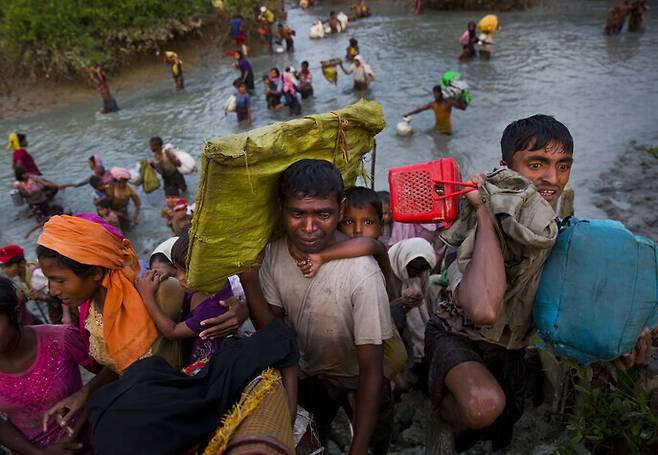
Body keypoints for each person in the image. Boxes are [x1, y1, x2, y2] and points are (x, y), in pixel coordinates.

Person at [424, 114, 654, 451]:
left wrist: (629, 332)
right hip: (456, 339)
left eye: (563, 166)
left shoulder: (559, 235)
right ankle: (441, 421)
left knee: (500, 431)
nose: (552, 178)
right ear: (505, 167)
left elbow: (587, 297)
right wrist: (486, 212)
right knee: (482, 406)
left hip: (512, 351)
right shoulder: (474, 226)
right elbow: (484, 309)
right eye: (537, 164)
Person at [241, 159, 393, 454]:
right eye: (297, 214)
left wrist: (358, 449)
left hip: (357, 379)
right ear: (280, 207)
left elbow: (371, 370)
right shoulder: (273, 253)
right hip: (308, 376)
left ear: (341, 208)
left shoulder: (362, 273)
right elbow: (274, 334)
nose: (309, 228)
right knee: (313, 437)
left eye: (323, 214)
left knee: (374, 442)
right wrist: (249, 282)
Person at [35, 214, 186, 432]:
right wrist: (84, 393)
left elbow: (210, 319)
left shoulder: (160, 292)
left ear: (95, 272)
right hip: (140, 409)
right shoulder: (88, 306)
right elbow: (119, 360)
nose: (53, 291)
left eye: (60, 280)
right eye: (49, 279)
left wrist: (238, 311)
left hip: (175, 409)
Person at [0, 276, 92, 454]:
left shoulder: (61, 338)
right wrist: (38, 453)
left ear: (17, 313)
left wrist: (85, 393)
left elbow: (112, 371)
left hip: (88, 441)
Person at [137, 229, 239, 364]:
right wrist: (167, 274)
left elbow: (172, 332)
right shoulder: (202, 286)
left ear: (210, 268)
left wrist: (148, 297)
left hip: (206, 365)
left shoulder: (215, 306)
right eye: (176, 270)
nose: (179, 277)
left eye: (185, 271)